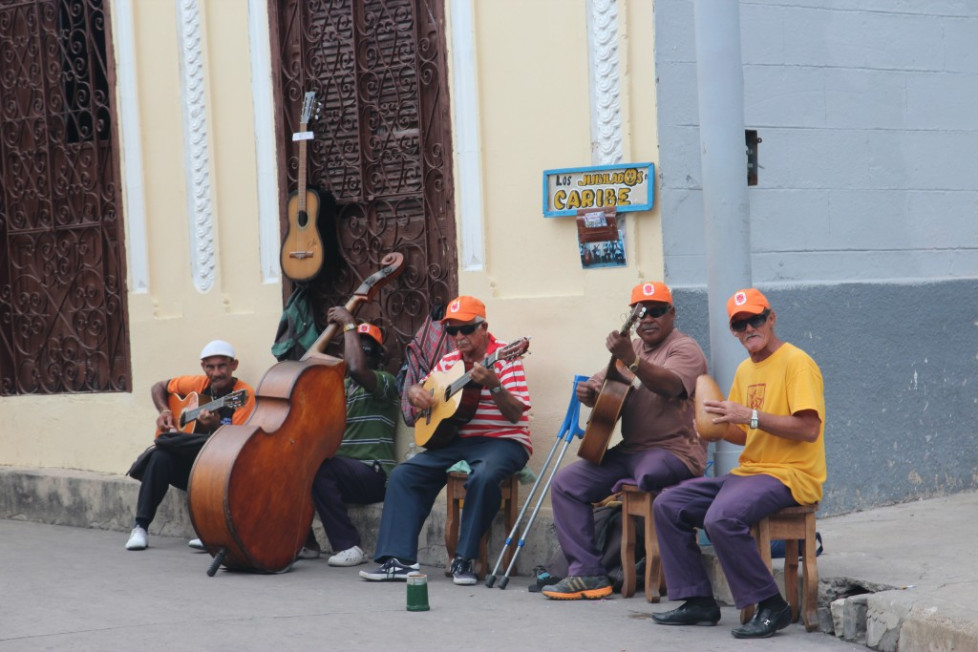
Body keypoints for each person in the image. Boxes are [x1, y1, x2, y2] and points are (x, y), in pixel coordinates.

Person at [651, 288, 826, 639]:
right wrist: (714, 428)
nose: (749, 328)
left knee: (722, 517)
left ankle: (771, 605)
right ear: (733, 330)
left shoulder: (797, 363)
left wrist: (750, 415)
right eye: (740, 324)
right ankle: (698, 600)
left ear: (771, 318)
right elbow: (748, 434)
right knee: (668, 504)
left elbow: (808, 429)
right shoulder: (745, 369)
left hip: (792, 475)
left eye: (755, 319)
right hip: (751, 473)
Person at [543, 281, 708, 600]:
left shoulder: (684, 348)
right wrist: (588, 392)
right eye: (640, 312)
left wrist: (631, 360)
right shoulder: (630, 348)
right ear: (633, 317)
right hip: (630, 452)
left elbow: (671, 385)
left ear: (672, 314)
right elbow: (601, 386)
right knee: (566, 483)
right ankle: (588, 573)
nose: (647, 319)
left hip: (674, 451)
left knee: (648, 473)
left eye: (656, 311)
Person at [359, 295, 531, 585]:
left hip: (504, 442)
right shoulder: (449, 361)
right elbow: (426, 391)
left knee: (484, 475)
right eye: (452, 331)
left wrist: (495, 385)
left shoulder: (504, 356)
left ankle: (465, 559)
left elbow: (516, 414)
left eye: (465, 329)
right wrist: (415, 392)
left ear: (484, 326)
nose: (458, 337)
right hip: (456, 442)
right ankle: (399, 561)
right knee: (404, 474)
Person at [125, 340, 256, 551]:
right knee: (160, 458)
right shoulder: (197, 384)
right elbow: (158, 386)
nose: (216, 372)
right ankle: (140, 527)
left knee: (171, 446)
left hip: (223, 471)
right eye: (210, 367)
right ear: (203, 367)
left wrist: (214, 427)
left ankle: (167, 442)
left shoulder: (242, 396)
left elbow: (236, 447)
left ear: (234, 365)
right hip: (193, 470)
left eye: (222, 366)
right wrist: (166, 412)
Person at [307, 307, 399, 566]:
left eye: (368, 349)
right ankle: (305, 543)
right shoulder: (337, 389)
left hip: (374, 474)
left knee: (322, 469)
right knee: (294, 463)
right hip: (343, 475)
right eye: (357, 346)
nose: (361, 353)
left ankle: (348, 546)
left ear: (379, 357)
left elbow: (358, 369)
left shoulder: (385, 381)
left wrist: (349, 323)